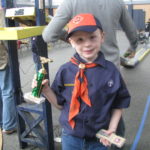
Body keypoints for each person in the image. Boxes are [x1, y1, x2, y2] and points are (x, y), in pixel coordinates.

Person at [42, 1, 138, 149]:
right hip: (71, 136)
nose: (87, 44)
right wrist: (133, 47)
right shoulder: (66, 71)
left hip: (107, 70)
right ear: (72, 41)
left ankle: (112, 136)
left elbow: (49, 35)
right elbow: (131, 30)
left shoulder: (70, 3)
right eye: (80, 39)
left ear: (102, 36)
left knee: (110, 109)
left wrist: (72, 38)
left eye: (92, 37)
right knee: (107, 106)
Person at [0, 8, 17, 134]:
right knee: (7, 92)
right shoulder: (1, 12)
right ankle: (9, 125)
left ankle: (2, 122)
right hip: (2, 59)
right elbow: (5, 36)